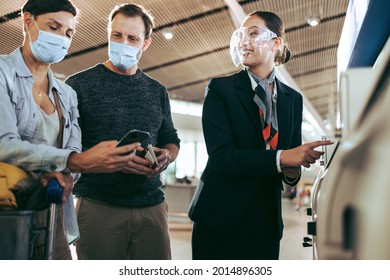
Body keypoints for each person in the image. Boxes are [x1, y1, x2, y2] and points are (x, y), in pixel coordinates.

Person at [0, 0, 140, 259]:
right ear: (27, 20)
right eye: (53, 27)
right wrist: (74, 161)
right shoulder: (2, 74)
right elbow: (4, 145)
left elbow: (73, 147)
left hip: (52, 213)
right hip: (9, 211)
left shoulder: (66, 94)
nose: (61, 39)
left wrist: (67, 174)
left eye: (68, 33)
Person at [188, 11, 333, 260]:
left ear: (276, 42)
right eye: (241, 35)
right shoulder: (221, 90)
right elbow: (222, 157)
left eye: (253, 33)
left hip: (265, 223)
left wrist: (291, 170)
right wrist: (283, 158)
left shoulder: (292, 99)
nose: (244, 41)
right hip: (220, 218)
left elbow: (290, 160)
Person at [65, 3, 180, 260]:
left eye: (132, 38)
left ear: (146, 43)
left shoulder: (157, 90)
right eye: (116, 36)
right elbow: (65, 150)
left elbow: (170, 138)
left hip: (152, 207)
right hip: (98, 208)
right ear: (108, 35)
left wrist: (167, 156)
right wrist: (110, 160)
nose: (123, 43)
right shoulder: (77, 85)